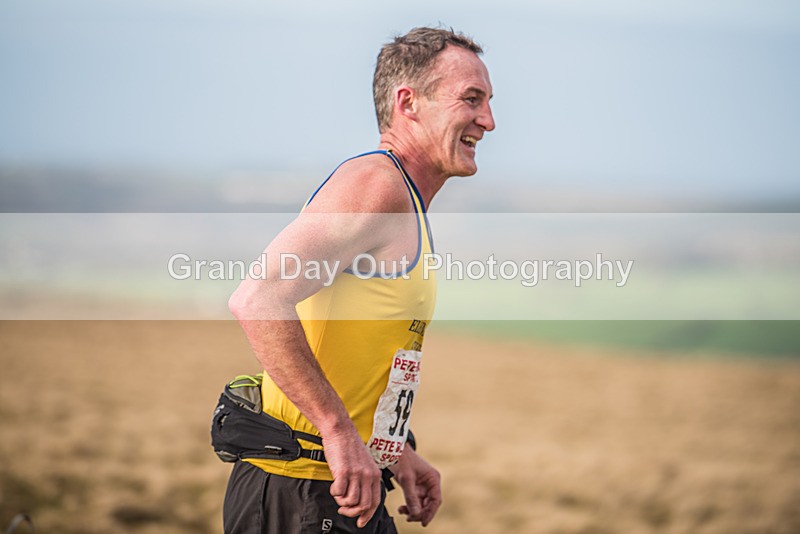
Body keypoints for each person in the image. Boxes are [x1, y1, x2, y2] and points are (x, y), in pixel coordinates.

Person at [225, 26, 495, 533]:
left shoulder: (405, 200)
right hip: (299, 489)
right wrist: (337, 431)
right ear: (408, 103)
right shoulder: (376, 185)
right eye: (471, 99)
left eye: (488, 102)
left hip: (344, 485)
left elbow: (358, 352)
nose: (489, 120)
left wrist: (395, 451)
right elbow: (258, 299)